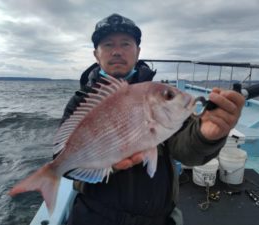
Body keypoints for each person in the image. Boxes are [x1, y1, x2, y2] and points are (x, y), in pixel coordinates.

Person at [58, 13, 245, 225]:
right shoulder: (81, 102)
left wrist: (206, 136)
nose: (117, 51)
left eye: (126, 44)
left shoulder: (159, 97)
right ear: (96, 54)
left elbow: (185, 149)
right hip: (93, 215)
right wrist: (105, 164)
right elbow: (64, 161)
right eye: (108, 44)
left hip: (156, 218)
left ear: (138, 52)